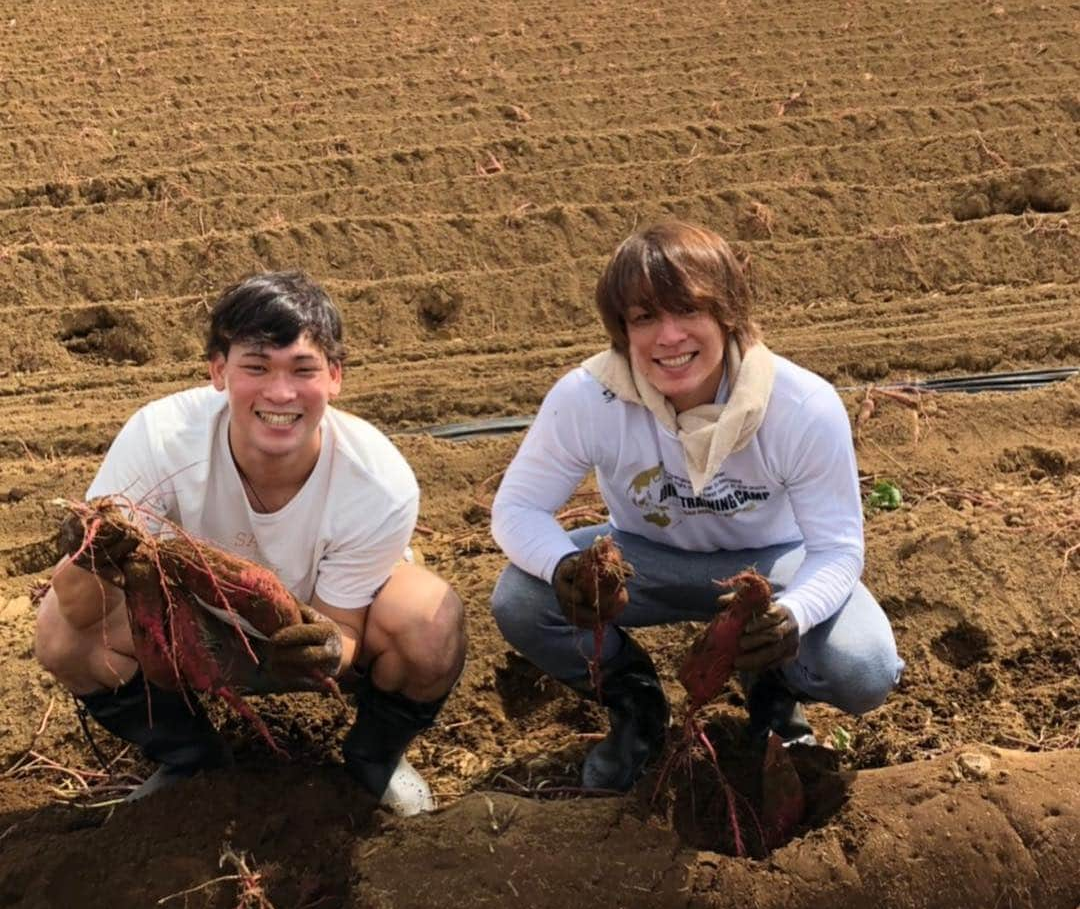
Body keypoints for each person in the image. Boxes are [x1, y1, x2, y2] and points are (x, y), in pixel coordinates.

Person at [35, 271, 465, 815]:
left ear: (335, 377)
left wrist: (326, 653)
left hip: (305, 630)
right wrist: (92, 559)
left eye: (303, 369)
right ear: (219, 371)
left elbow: (346, 627)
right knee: (56, 630)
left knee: (430, 619)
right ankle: (191, 759)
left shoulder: (378, 481)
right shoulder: (161, 439)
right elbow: (79, 613)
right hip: (192, 625)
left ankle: (375, 761)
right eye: (255, 367)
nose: (280, 393)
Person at [490, 223, 901, 792]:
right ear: (622, 331)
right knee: (520, 598)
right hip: (645, 559)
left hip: (773, 568)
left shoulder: (800, 405)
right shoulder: (589, 398)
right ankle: (635, 706)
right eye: (644, 318)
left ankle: (773, 695)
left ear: (728, 313)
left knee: (864, 667)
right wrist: (565, 568)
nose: (669, 337)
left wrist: (794, 616)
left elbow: (835, 549)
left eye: (688, 310)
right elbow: (517, 509)